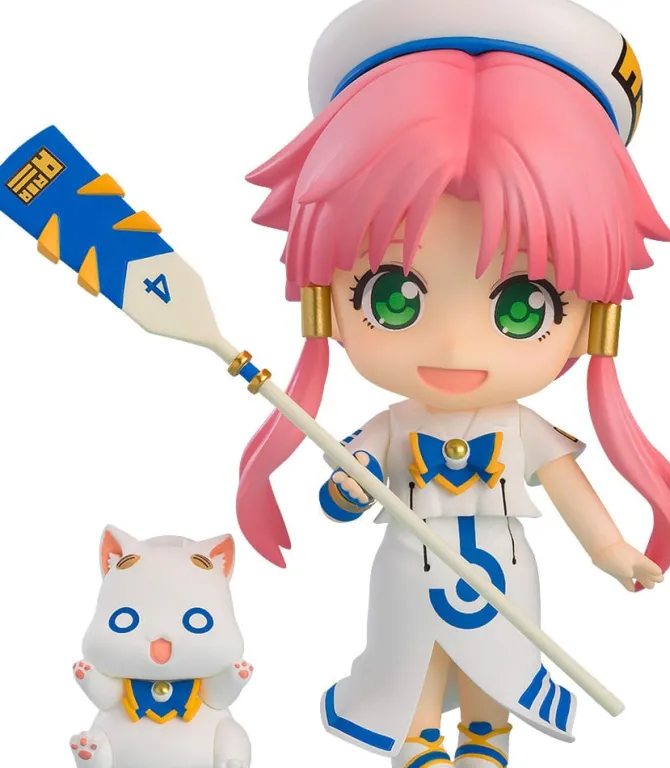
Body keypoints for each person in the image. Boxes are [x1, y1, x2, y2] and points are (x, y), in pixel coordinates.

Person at [236, 1, 670, 765]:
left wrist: (612, 551)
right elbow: (338, 499)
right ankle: (415, 742)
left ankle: (485, 740)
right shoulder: (394, 428)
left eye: (523, 306)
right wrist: (350, 485)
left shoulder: (526, 432)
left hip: (508, 574)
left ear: (594, 319)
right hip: (408, 574)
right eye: (393, 297)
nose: (455, 343)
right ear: (322, 299)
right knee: (409, 660)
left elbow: (575, 499)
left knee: (499, 666)